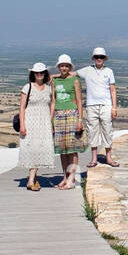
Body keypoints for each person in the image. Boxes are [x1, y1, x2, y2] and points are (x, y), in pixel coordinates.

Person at [17, 63, 58, 190]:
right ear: (33, 74)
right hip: (30, 122)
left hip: (44, 123)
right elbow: (22, 108)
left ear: (45, 73)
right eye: (36, 72)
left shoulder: (48, 88)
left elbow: (52, 104)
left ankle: (34, 178)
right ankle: (30, 181)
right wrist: (22, 125)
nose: (39, 74)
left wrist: (50, 121)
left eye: (41, 72)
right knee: (32, 150)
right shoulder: (27, 87)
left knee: (39, 150)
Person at [77, 46, 119, 169]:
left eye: (101, 57)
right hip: (91, 105)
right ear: (94, 58)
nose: (99, 59)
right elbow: (71, 73)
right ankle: (94, 158)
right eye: (97, 57)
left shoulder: (109, 71)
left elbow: (113, 90)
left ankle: (109, 157)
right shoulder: (87, 70)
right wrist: (53, 76)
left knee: (107, 130)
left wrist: (114, 107)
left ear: (104, 59)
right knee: (92, 132)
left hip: (106, 105)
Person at [52, 55, 84, 189]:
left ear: (70, 67)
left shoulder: (75, 81)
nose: (64, 68)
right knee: (62, 149)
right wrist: (51, 120)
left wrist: (80, 120)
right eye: (61, 65)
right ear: (59, 67)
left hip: (72, 115)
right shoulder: (54, 81)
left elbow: (79, 101)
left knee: (72, 148)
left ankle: (71, 177)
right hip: (58, 115)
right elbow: (53, 101)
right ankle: (64, 177)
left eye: (66, 66)